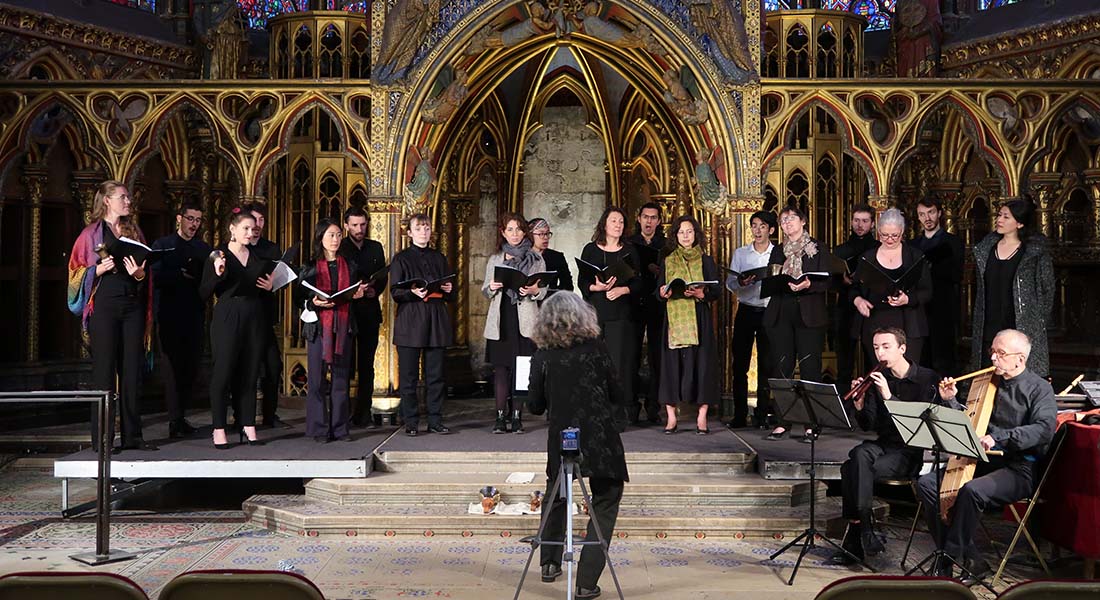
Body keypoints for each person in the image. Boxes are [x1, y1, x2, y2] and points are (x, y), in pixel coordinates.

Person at [917, 329, 1057, 584]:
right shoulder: (986, 382)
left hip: (1018, 468)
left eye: (1000, 353)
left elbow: (1043, 429)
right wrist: (950, 401)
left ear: (1020, 359)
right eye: (992, 351)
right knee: (927, 484)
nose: (993, 358)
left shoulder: (1039, 389)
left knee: (971, 491)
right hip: (982, 461)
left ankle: (947, 559)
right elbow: (970, 425)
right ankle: (973, 560)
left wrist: (1000, 437)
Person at [527, 292, 628, 600]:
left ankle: (549, 563)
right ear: (584, 316)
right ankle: (586, 581)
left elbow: (533, 406)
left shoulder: (542, 355)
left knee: (557, 493)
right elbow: (617, 392)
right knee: (607, 497)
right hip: (599, 435)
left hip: (562, 437)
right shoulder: (596, 348)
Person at [831, 327, 942, 566]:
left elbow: (920, 426)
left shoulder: (927, 379)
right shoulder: (877, 378)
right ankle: (866, 529)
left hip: (908, 451)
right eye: (875, 347)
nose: (879, 352)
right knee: (859, 454)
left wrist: (889, 396)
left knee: (851, 467)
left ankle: (857, 536)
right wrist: (860, 405)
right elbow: (869, 425)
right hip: (882, 446)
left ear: (902, 348)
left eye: (886, 347)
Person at [67, 180, 156, 452]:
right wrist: (97, 270)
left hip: (132, 305)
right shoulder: (90, 234)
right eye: (122, 197)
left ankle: (133, 436)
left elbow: (145, 272)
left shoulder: (135, 232)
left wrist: (140, 274)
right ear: (106, 200)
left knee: (132, 371)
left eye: (128, 198)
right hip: (104, 306)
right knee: (104, 373)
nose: (128, 202)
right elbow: (74, 273)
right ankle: (102, 440)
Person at [200, 209, 272, 449]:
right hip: (228, 315)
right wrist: (218, 274)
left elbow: (261, 286)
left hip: (254, 315)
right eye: (245, 229)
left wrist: (271, 285)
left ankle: (248, 425)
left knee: (251, 372)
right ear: (232, 229)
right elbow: (203, 292)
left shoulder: (257, 256)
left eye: (253, 230)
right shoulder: (218, 255)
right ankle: (219, 428)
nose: (250, 233)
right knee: (223, 372)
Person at [762, 205, 832, 442]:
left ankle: (812, 423)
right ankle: (783, 421)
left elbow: (827, 282)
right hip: (782, 311)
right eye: (783, 221)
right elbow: (770, 281)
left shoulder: (817, 247)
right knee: (782, 367)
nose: (787, 223)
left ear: (803, 221)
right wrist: (782, 282)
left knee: (811, 368)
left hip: (809, 312)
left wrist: (808, 284)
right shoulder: (778, 251)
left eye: (791, 219)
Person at [298, 219, 365, 443]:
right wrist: (314, 302)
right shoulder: (309, 266)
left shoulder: (351, 265)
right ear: (320, 238)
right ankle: (318, 429)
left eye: (337, 235)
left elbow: (353, 291)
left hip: (343, 325)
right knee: (316, 380)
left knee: (340, 379)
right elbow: (299, 299)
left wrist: (357, 294)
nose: (335, 240)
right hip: (318, 327)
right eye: (330, 235)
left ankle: (340, 428)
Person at [970, 200, 1055, 377]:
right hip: (990, 322)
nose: (999, 219)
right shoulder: (986, 249)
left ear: (1020, 223)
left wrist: (1037, 320)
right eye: (999, 215)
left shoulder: (1033, 253)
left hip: (1021, 324)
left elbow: (1048, 288)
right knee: (988, 373)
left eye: (1006, 216)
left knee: (1019, 375)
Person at [579, 207, 643, 431]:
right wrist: (595, 286)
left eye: (621, 222)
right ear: (604, 224)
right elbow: (582, 282)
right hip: (596, 314)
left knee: (618, 366)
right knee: (593, 363)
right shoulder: (590, 250)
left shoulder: (630, 250)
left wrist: (623, 290)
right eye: (614, 221)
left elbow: (639, 283)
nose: (618, 225)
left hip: (621, 315)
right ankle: (594, 411)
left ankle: (618, 415)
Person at [390, 213, 454, 436]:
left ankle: (435, 420)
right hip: (411, 319)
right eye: (419, 229)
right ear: (410, 233)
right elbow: (395, 292)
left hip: (435, 318)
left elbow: (449, 289)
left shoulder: (439, 257)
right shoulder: (401, 259)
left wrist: (448, 290)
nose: (423, 232)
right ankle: (411, 422)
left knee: (435, 375)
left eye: (426, 228)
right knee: (408, 376)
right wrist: (412, 292)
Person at [483, 212, 547, 434]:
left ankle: (517, 416)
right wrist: (492, 287)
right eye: (510, 229)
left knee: (522, 370)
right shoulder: (495, 259)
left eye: (519, 229)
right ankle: (501, 416)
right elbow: (485, 289)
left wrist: (534, 290)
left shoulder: (536, 259)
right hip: (501, 319)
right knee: (501, 370)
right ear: (503, 233)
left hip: (525, 319)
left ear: (524, 232)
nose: (515, 234)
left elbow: (543, 288)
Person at [151, 202, 212, 439]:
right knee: (172, 369)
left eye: (198, 220)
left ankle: (181, 417)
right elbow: (153, 276)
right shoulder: (163, 245)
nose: (194, 224)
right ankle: (174, 421)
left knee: (190, 368)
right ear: (179, 219)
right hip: (168, 314)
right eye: (190, 219)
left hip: (194, 313)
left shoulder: (202, 248)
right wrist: (179, 274)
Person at [656, 215, 720, 434]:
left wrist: (703, 293)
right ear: (675, 236)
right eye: (681, 232)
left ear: (696, 234)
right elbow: (658, 292)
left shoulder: (706, 260)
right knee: (671, 367)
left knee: (702, 366)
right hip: (674, 319)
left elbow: (716, 291)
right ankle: (672, 417)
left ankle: (702, 417)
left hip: (699, 317)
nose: (685, 236)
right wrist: (663, 293)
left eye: (689, 231)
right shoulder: (668, 260)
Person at [851, 208, 932, 364]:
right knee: (880, 375)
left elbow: (927, 291)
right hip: (876, 323)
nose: (889, 239)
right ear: (878, 231)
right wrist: (858, 300)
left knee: (907, 374)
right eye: (884, 235)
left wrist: (908, 299)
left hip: (909, 324)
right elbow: (854, 288)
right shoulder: (867, 257)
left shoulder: (915, 256)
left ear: (902, 232)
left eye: (894, 235)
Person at [726, 210, 776, 429]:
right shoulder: (741, 253)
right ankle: (739, 414)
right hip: (746, 310)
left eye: (762, 226)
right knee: (740, 365)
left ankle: (762, 414)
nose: (757, 230)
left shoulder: (777, 254)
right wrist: (741, 283)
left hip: (769, 311)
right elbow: (730, 282)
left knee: (767, 365)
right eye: (754, 225)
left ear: (771, 230)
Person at [339, 206, 387, 428]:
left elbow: (383, 279)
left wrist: (373, 290)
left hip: (368, 310)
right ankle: (342, 414)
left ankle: (363, 413)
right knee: (345, 364)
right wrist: (352, 292)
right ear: (346, 225)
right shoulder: (340, 248)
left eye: (363, 224)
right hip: (347, 312)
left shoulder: (375, 247)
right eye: (355, 225)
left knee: (367, 365)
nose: (359, 229)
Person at [243, 202, 289, 429]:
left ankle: (270, 416)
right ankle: (243, 417)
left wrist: (274, 283)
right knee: (245, 369)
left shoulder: (271, 249)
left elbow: (280, 278)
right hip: (242, 317)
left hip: (265, 315)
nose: (258, 225)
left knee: (273, 366)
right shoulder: (237, 248)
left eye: (262, 220)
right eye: (254, 220)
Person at [910, 197, 965, 376]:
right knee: (921, 358)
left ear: (939, 213)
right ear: (918, 217)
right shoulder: (912, 246)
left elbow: (957, 275)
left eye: (931, 212)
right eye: (922, 214)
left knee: (945, 359)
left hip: (944, 308)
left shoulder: (953, 242)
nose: (927, 218)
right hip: (919, 309)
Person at [832, 204, 879, 395]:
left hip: (871, 306)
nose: (860, 225)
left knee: (873, 357)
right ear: (851, 221)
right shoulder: (841, 250)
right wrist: (842, 280)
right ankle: (844, 407)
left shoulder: (878, 248)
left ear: (873, 224)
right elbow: (831, 282)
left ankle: (872, 406)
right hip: (845, 306)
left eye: (865, 221)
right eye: (857, 220)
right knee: (844, 359)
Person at [626, 202, 666, 425]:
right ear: (639, 218)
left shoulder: (666, 244)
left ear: (659, 221)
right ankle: (631, 407)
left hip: (658, 304)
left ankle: (653, 407)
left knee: (657, 358)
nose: (649, 221)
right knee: (631, 356)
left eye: (653, 217)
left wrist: (661, 272)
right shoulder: (630, 243)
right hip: (634, 303)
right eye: (645, 217)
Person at [528, 218, 573, 293]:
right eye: (541, 234)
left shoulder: (557, 257)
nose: (546, 238)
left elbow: (568, 286)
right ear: (530, 235)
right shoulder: (523, 256)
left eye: (547, 234)